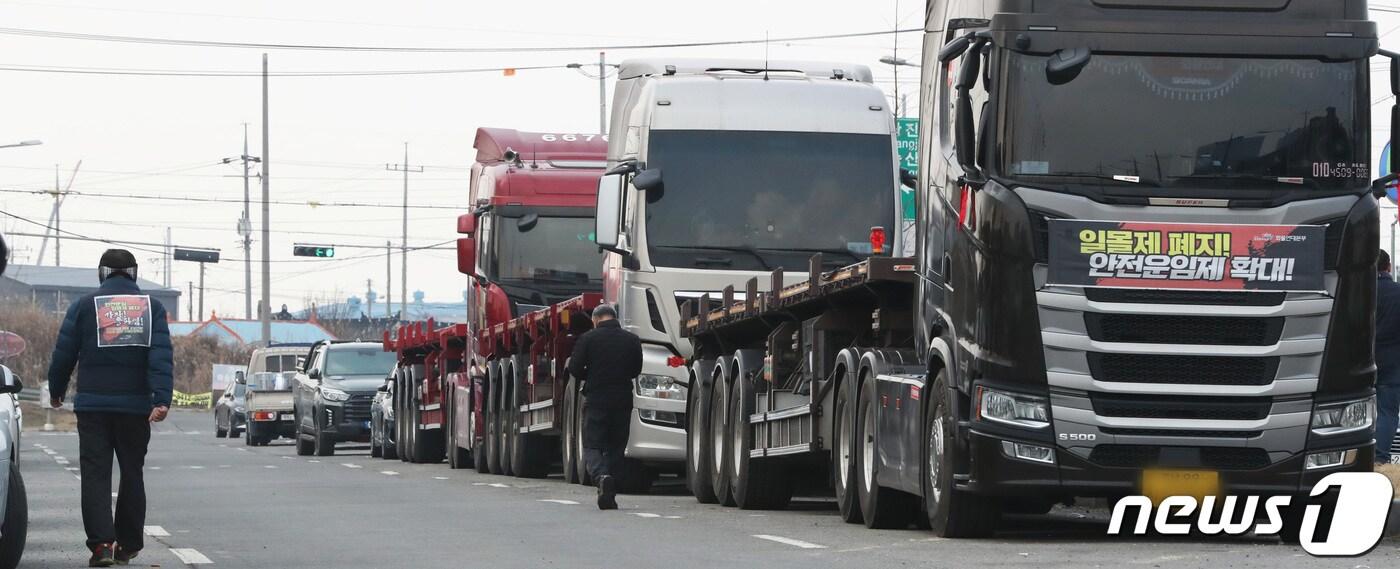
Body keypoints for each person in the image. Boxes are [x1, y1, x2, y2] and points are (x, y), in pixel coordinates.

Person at [47, 249, 172, 567]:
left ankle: (102, 545)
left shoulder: (83, 306)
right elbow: (160, 357)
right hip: (135, 409)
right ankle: (128, 545)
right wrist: (161, 399)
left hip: (92, 408)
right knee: (132, 473)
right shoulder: (151, 308)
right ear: (133, 272)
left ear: (102, 272)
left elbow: (64, 354)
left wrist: (56, 391)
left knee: (95, 474)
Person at [567, 304, 642, 510]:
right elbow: (636, 369)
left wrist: (589, 376)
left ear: (596, 319)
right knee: (617, 447)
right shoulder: (632, 340)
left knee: (593, 444)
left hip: (597, 399)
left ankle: (602, 477)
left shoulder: (588, 339)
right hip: (622, 400)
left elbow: (574, 368)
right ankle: (610, 490)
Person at [1376, 250, 1400, 465]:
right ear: (1388, 266)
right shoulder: (1397, 293)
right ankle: (1379, 460)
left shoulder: (1355, 292)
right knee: (1387, 412)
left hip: (1354, 363)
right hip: (1391, 364)